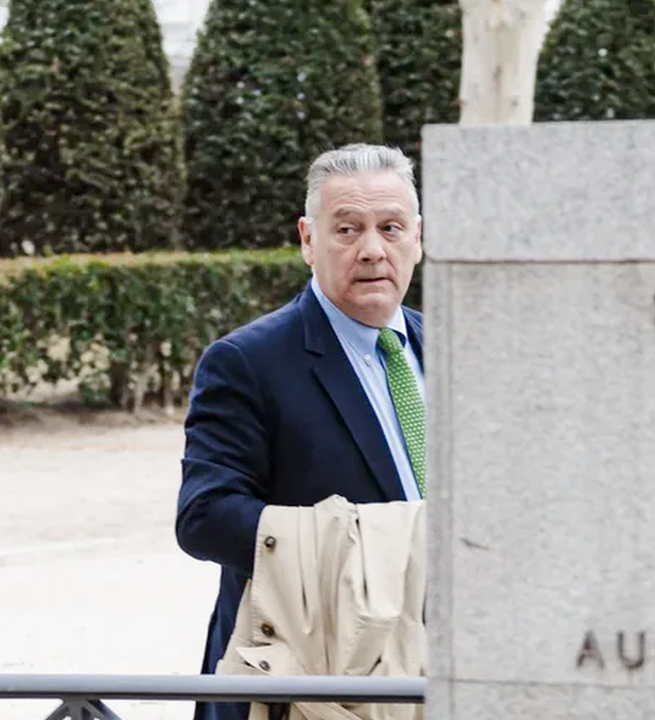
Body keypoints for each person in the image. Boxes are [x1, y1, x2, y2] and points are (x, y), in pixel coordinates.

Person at [175, 143, 427, 720]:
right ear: (308, 240)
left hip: (429, 674)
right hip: (306, 685)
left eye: (390, 228)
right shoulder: (246, 361)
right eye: (347, 229)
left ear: (418, 236)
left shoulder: (454, 348)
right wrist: (367, 550)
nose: (371, 250)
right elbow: (205, 517)